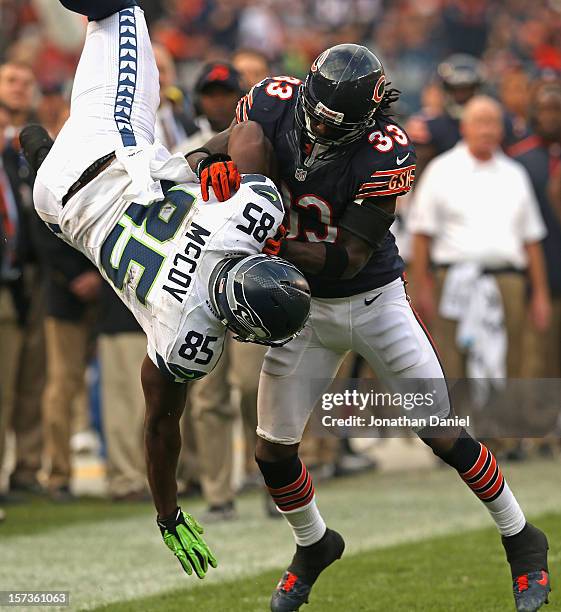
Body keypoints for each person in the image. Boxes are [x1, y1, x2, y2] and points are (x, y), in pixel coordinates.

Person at [190, 45, 551, 612]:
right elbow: (222, 146)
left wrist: (265, 235)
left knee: (441, 433)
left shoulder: (387, 150)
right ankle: (313, 545)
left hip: (373, 301)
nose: (316, 128)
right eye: (315, 112)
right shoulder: (277, 99)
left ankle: (522, 538)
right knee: (271, 451)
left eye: (335, 124)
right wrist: (207, 159)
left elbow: (347, 258)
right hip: (306, 309)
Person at [21, 0, 310, 580]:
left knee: (118, 10)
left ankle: (45, 148)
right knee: (50, 139)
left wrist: (222, 164)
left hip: (114, 150)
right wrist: (168, 515)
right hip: (62, 208)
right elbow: (159, 430)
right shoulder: (191, 340)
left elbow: (250, 132)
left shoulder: (247, 219)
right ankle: (39, 157)